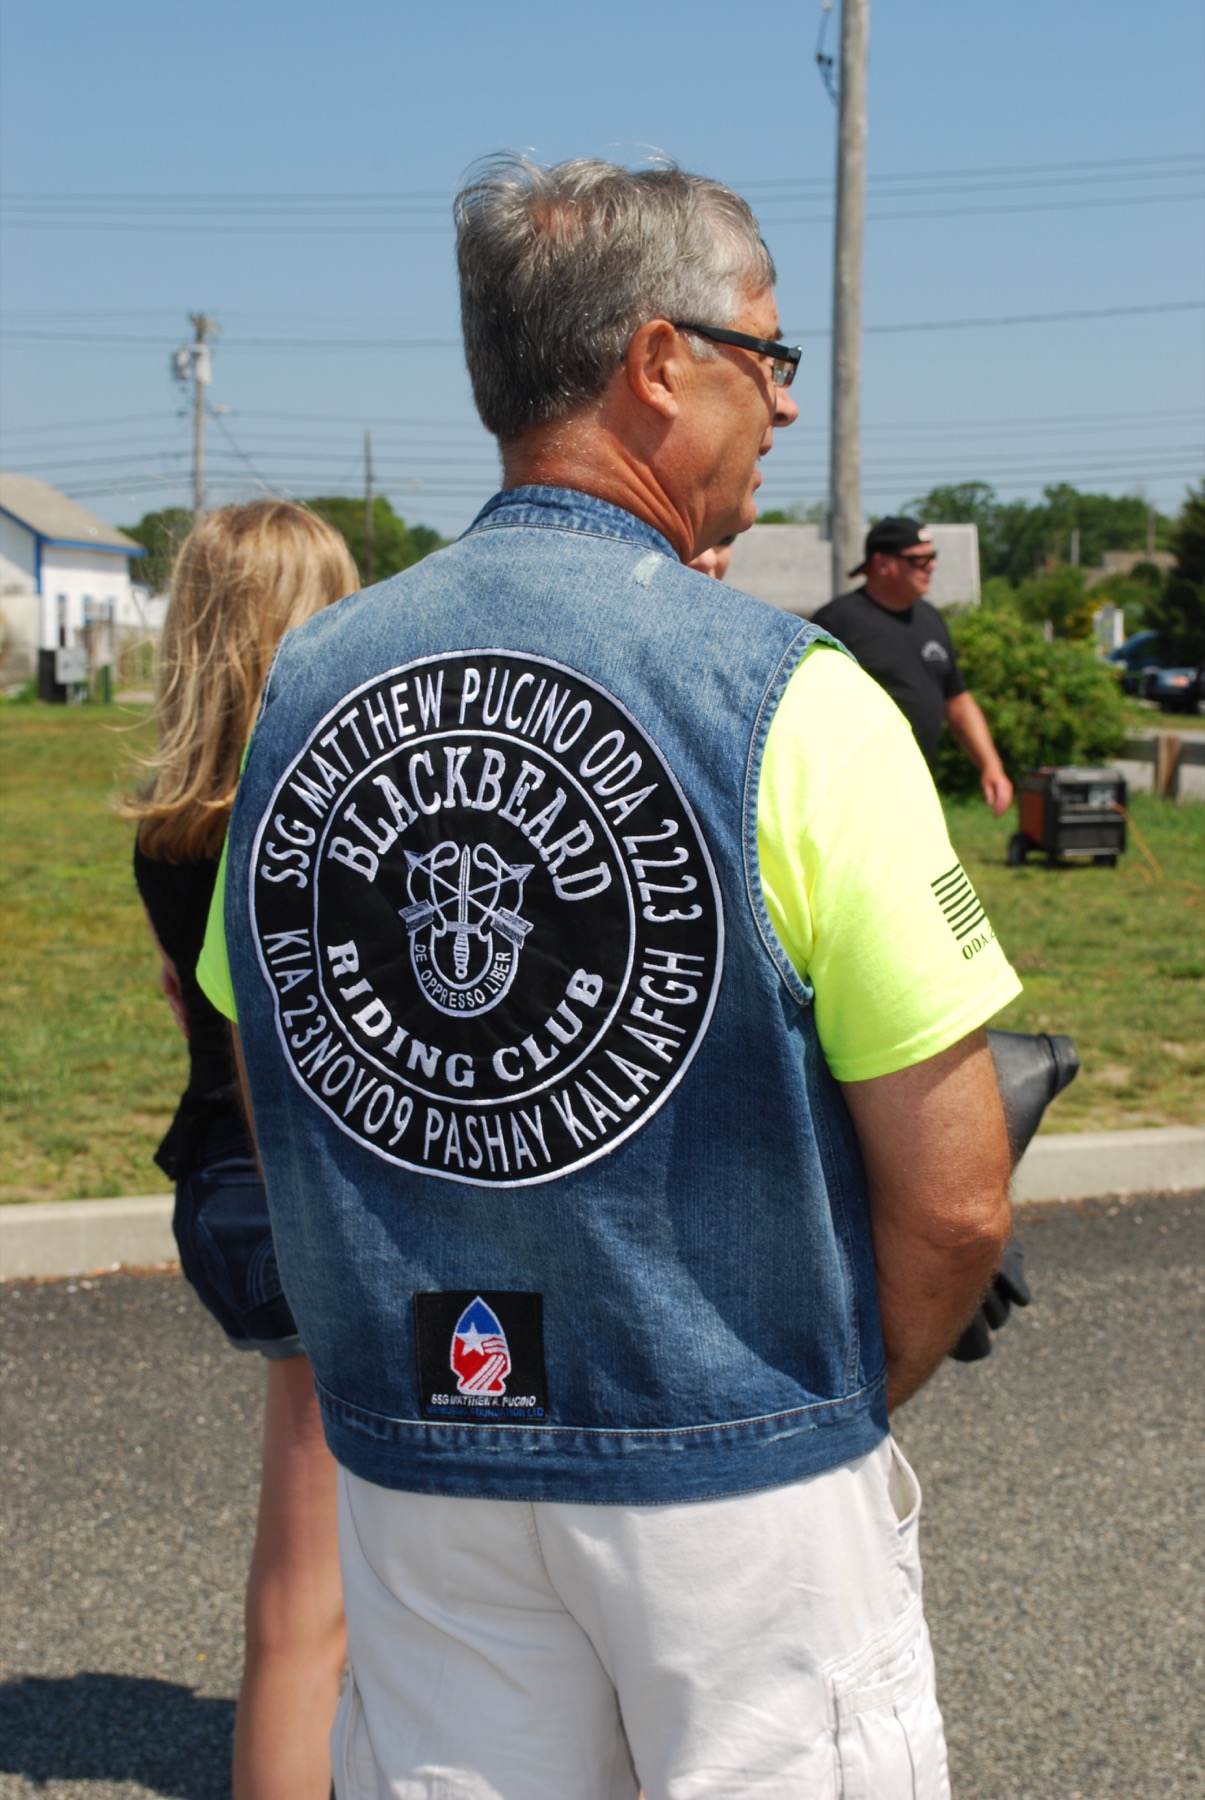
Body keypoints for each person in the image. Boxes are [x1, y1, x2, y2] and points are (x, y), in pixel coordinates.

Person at [199, 157, 1020, 1798]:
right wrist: (812, 1409)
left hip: (422, 1474)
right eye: (767, 354)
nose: (784, 404)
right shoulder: (791, 696)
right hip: (739, 1486)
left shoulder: (306, 686)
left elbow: (272, 1067)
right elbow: (954, 1201)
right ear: (658, 362)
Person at [122, 500, 358, 1800]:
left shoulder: (167, 830)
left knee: (309, 1589)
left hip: (220, 1183)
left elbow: (188, 1002)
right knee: (321, 1600)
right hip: (312, 1197)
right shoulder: (332, 821)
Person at [813, 516, 1014, 815]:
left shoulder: (930, 618)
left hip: (916, 787)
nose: (931, 566)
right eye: (919, 559)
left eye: (932, 557)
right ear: (882, 563)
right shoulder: (837, 621)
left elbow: (957, 700)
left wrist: (991, 765)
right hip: (852, 795)